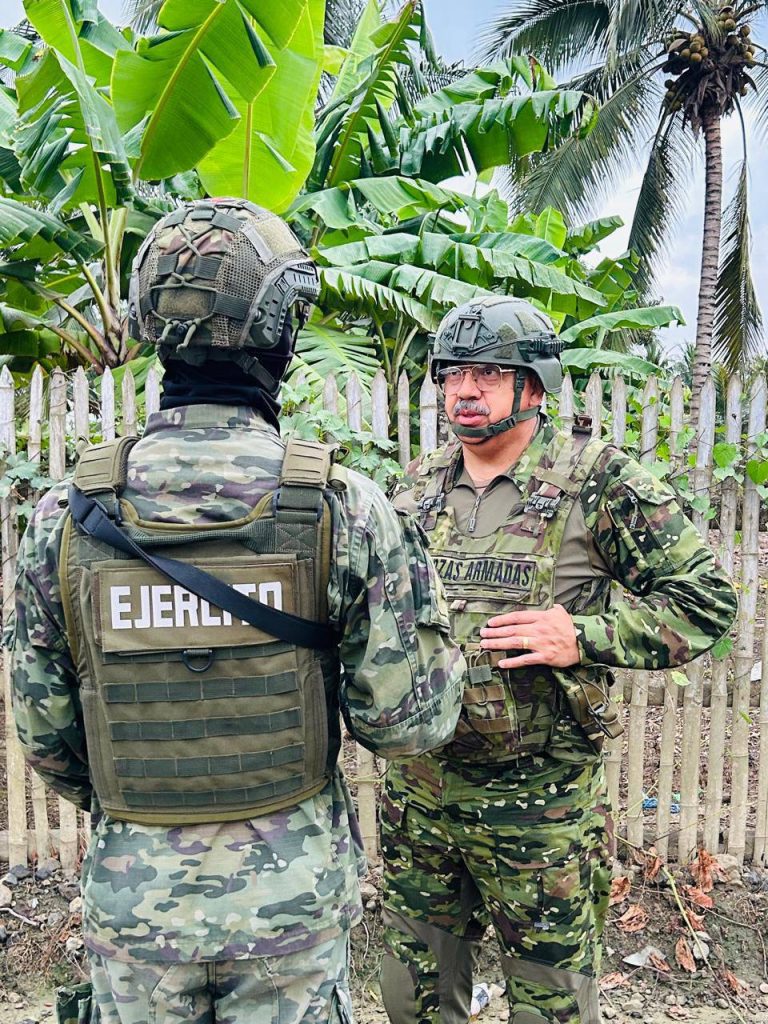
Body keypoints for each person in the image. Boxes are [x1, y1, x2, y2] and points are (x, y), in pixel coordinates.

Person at [9, 198, 464, 1024]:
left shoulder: (66, 514)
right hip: (289, 913)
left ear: (152, 329)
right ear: (282, 331)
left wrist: (143, 804)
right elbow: (407, 724)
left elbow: (45, 735)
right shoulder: (339, 507)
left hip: (134, 912)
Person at [379, 296, 738, 1024]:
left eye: (488, 373)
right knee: (409, 1002)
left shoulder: (600, 482)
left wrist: (585, 636)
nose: (464, 392)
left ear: (533, 388)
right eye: (452, 375)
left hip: (539, 809)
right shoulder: (416, 488)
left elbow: (707, 602)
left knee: (551, 1010)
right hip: (419, 797)